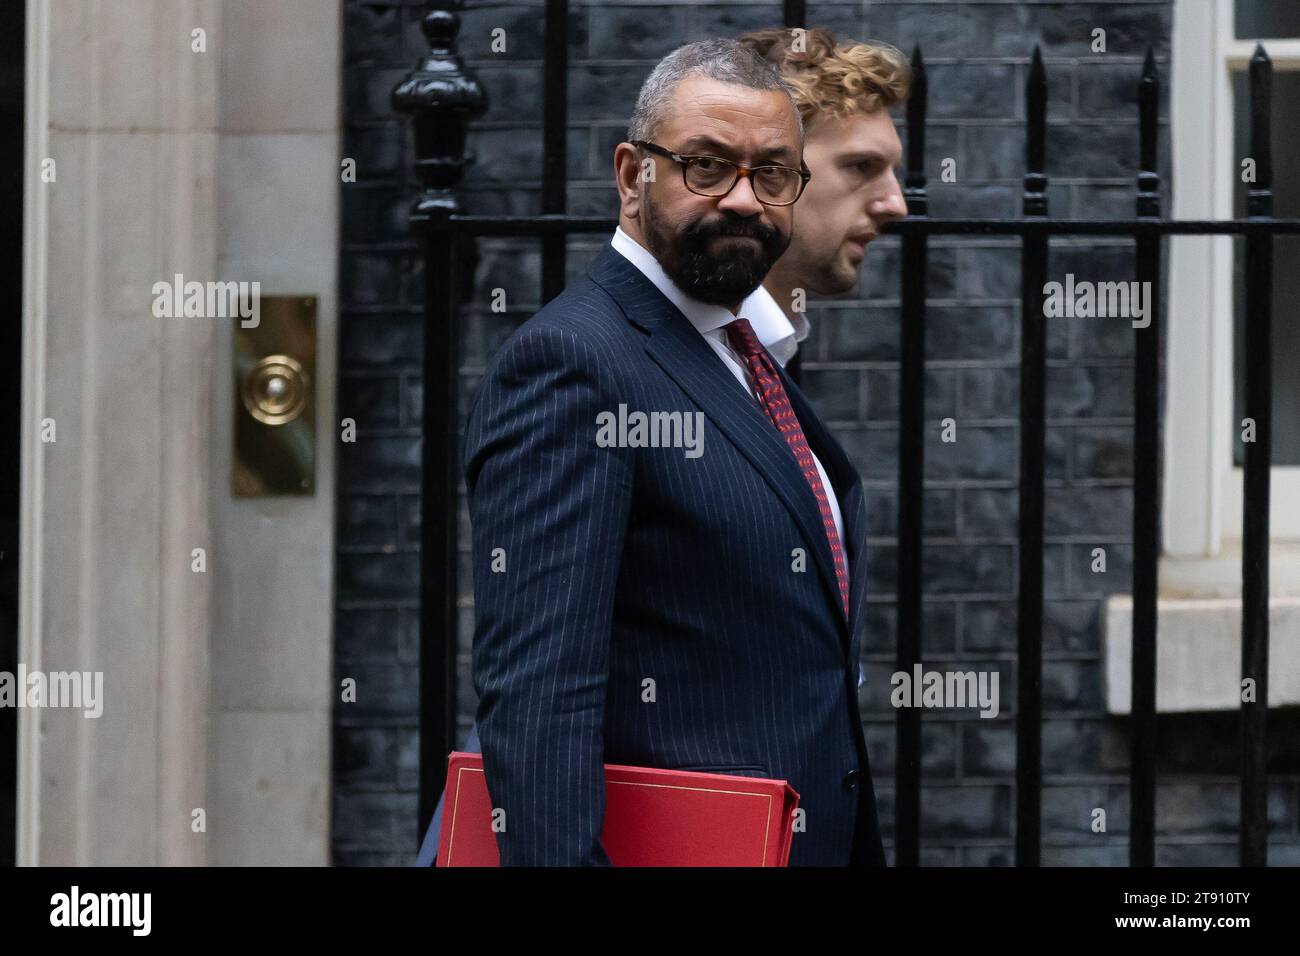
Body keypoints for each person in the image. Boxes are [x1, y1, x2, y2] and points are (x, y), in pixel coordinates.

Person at [418, 32, 910, 867]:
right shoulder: (575, 362)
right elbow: (540, 696)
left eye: (773, 174)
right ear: (631, 175)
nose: (745, 199)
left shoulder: (737, 351)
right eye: (707, 166)